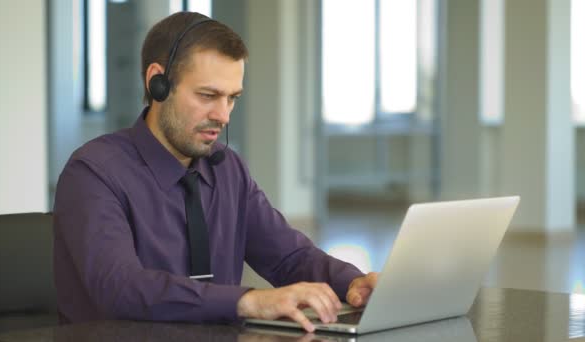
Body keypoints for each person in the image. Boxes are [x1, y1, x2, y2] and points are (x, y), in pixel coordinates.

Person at [53, 11, 377, 333]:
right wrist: (246, 301)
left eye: (232, 98)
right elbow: (119, 287)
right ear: (158, 83)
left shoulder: (227, 167)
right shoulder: (93, 173)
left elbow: (288, 256)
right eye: (208, 96)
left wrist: (353, 282)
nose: (223, 115)